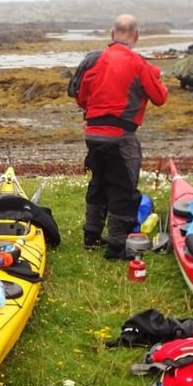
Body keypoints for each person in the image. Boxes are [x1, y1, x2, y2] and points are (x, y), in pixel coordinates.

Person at [68, 14, 168, 259]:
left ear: (112, 34)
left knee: (99, 182)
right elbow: (160, 97)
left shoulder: (93, 61)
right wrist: (157, 77)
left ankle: (91, 237)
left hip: (93, 134)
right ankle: (116, 246)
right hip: (121, 136)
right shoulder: (138, 63)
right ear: (136, 35)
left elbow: (81, 98)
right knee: (122, 188)